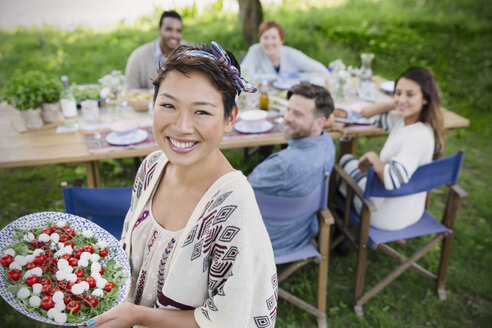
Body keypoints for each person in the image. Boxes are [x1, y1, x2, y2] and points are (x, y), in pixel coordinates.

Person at [86, 42, 277, 328]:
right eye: (168, 105)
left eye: (201, 112)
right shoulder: (152, 166)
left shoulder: (233, 208)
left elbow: (228, 319)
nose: (182, 126)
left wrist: (137, 316)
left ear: (230, 118)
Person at [338, 67, 445, 231]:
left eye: (410, 94)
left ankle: (339, 222)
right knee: (349, 164)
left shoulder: (417, 136)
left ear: (425, 98)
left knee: (343, 162)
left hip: (384, 214)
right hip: (410, 210)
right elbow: (366, 113)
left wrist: (373, 156)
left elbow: (391, 179)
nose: (401, 98)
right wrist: (396, 103)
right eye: (398, 92)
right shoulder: (404, 122)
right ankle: (342, 215)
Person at [248, 82, 336, 257]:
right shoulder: (327, 144)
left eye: (298, 114)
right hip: (303, 231)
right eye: (288, 109)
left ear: (319, 123)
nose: (287, 117)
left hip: (266, 241)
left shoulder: (283, 165)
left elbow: (241, 189)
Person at [241, 20, 329, 80]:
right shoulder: (255, 51)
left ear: (281, 40)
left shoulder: (292, 54)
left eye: (274, 38)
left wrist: (296, 77)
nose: (269, 42)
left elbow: (322, 71)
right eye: (265, 37)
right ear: (260, 39)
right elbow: (242, 75)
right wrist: (275, 77)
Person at [125, 10, 185, 90]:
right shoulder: (138, 57)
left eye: (178, 31)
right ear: (159, 31)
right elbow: (130, 91)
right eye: (169, 29)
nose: (174, 35)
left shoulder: (189, 54)